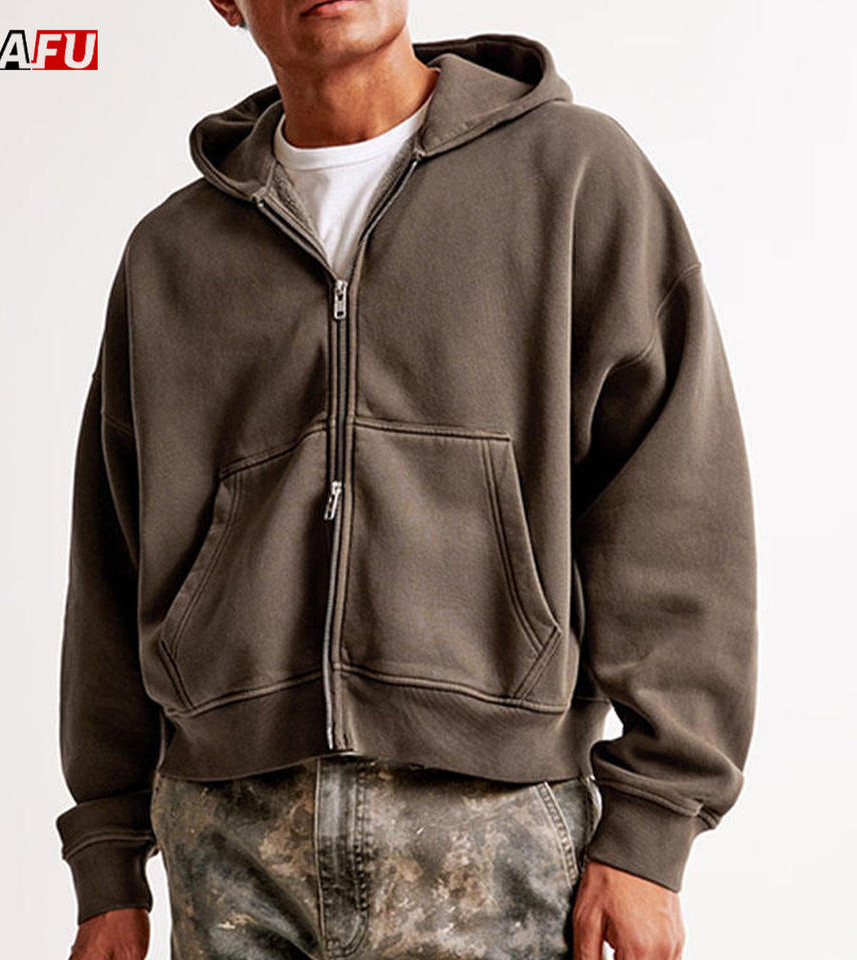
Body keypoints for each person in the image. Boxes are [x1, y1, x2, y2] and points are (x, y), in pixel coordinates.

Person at [55, 2, 758, 959]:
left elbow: (674, 501)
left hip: (494, 827)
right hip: (227, 840)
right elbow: (111, 553)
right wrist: (106, 855)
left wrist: (652, 827)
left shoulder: (574, 176)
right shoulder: (170, 255)